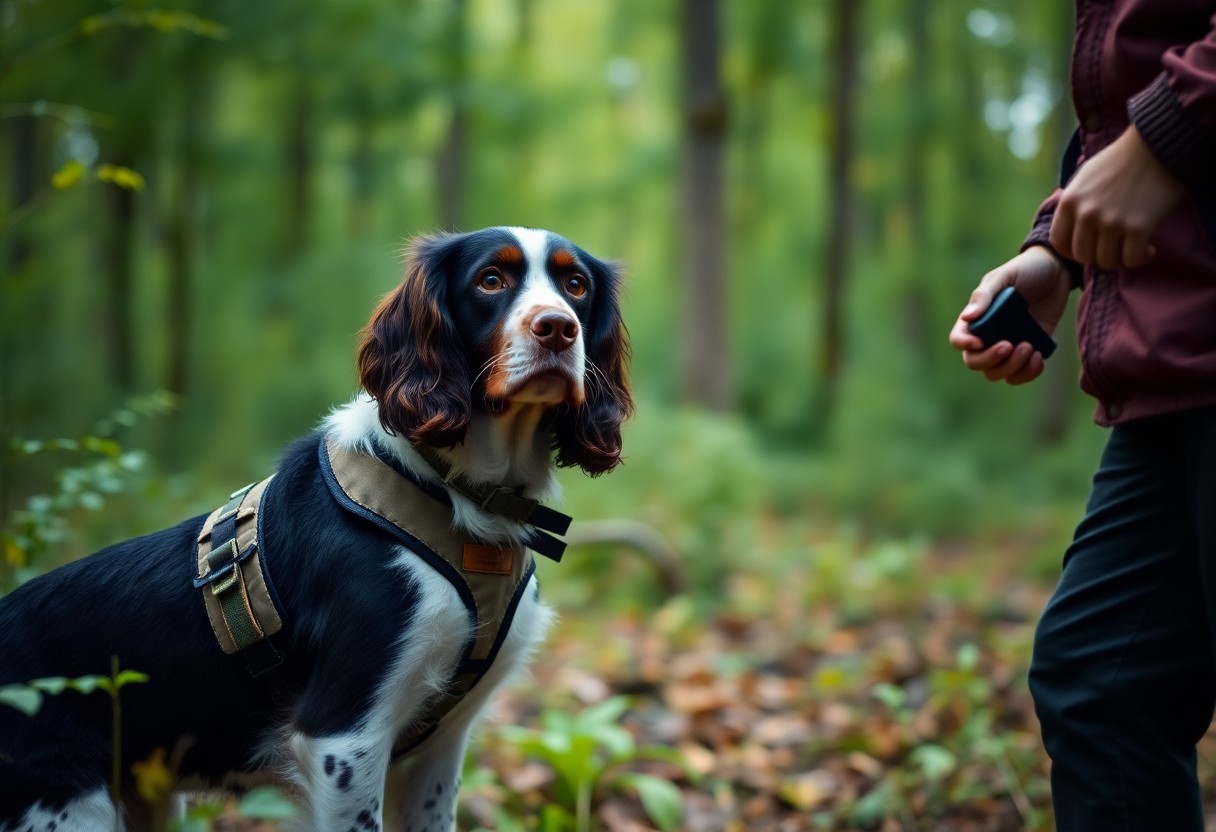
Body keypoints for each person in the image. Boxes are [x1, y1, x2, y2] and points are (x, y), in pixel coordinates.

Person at [947, 3, 1216, 829]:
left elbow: (1154, 111)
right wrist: (1057, 250)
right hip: (1175, 347)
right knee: (1101, 683)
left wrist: (1169, 133)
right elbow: (1135, 62)